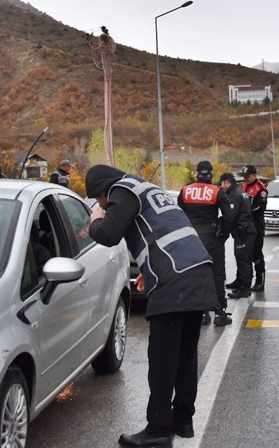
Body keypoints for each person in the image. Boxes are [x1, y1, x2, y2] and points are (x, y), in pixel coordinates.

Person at [86, 165, 217, 448]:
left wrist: (95, 221)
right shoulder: (147, 188)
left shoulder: (122, 190)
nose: (101, 205)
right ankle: (183, 421)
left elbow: (109, 234)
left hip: (175, 279)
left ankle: (157, 430)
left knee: (162, 360)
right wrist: (150, 269)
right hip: (197, 272)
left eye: (98, 199)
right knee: (184, 355)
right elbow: (162, 230)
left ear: (102, 189)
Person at [177, 161, 234, 327]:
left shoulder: (185, 191)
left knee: (195, 274)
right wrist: (223, 236)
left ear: (197, 174)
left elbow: (178, 216)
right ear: (211, 174)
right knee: (217, 274)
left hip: (192, 240)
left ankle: (200, 313)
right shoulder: (216, 191)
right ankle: (220, 313)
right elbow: (229, 217)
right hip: (212, 239)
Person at [220, 172, 257, 299]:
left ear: (226, 182)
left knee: (243, 261)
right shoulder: (239, 191)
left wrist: (223, 233)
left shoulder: (234, 195)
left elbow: (231, 216)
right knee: (244, 259)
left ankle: (244, 289)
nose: (221, 187)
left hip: (243, 231)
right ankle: (241, 282)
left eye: (222, 184)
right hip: (247, 230)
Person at [240, 165, 268, 292]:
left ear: (254, 175)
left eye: (248, 176)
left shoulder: (260, 189)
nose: (245, 178)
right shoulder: (244, 186)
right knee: (243, 253)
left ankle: (259, 281)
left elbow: (260, 208)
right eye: (244, 176)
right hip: (245, 223)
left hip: (256, 224)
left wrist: (245, 212)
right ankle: (241, 279)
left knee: (256, 253)